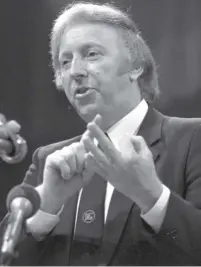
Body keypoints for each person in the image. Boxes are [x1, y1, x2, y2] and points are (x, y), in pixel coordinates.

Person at [1, 2, 201, 265]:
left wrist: (152, 196)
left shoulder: (192, 140)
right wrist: (47, 202)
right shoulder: (47, 160)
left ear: (135, 65)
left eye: (92, 54)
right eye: (65, 61)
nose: (75, 71)